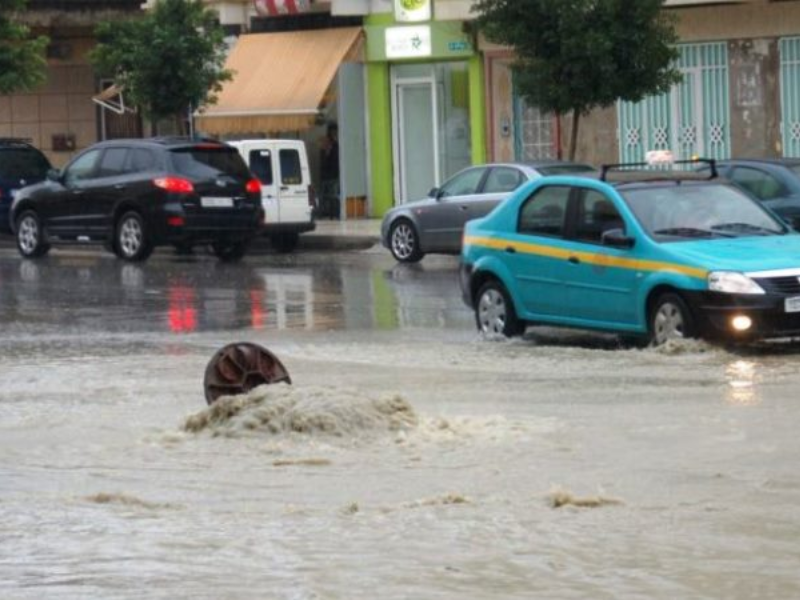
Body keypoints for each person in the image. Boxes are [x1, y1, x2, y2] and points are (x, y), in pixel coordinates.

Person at [319, 122, 340, 219]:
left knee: (333, 195)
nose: (334, 132)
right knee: (326, 196)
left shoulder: (336, 143)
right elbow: (324, 157)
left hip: (333, 174)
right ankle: (325, 213)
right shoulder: (327, 142)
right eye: (333, 131)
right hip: (327, 174)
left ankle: (333, 214)